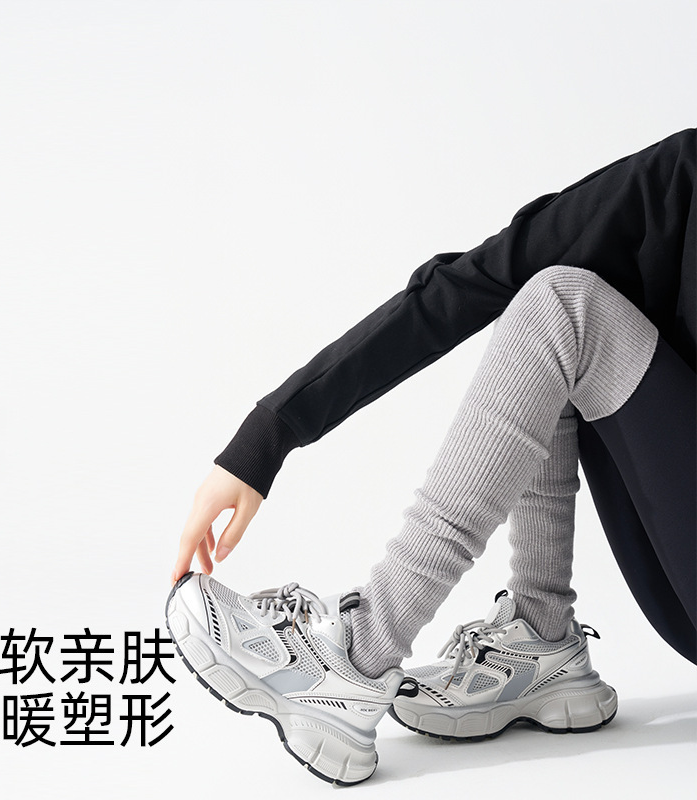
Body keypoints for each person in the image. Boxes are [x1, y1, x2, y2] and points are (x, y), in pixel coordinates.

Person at [166, 129, 696, 785]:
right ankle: (541, 628)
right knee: (556, 296)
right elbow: (471, 283)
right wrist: (266, 437)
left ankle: (357, 658)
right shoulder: (684, 176)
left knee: (567, 306)